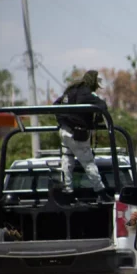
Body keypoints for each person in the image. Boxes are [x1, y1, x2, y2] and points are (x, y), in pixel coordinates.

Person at [55, 70, 113, 203]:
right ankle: (101, 192)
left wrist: (63, 121)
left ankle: (68, 191)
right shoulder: (86, 93)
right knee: (88, 162)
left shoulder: (70, 90)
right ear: (93, 82)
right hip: (78, 134)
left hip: (64, 132)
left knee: (67, 160)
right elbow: (102, 106)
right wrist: (94, 120)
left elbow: (56, 105)